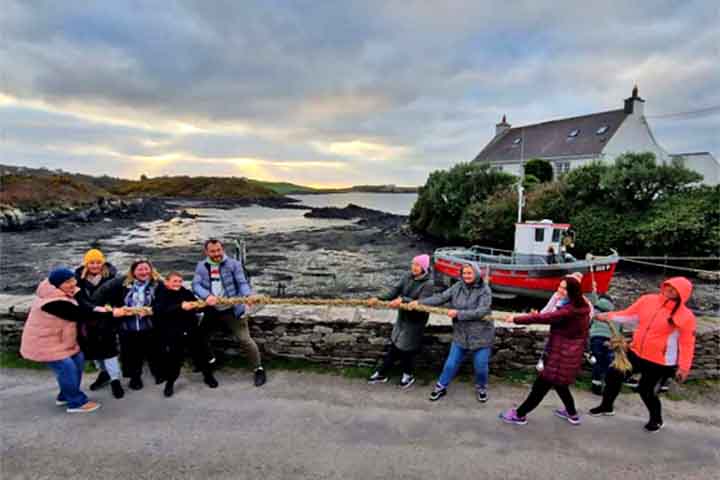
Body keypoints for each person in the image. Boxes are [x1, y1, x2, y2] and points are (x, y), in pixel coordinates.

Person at [589, 277, 697, 433]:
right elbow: (629, 315)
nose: (670, 290)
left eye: (675, 289)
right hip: (636, 352)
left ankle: (656, 420)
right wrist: (608, 316)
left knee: (646, 390)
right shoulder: (647, 300)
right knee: (613, 375)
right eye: (669, 286)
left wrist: (684, 367)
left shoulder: (686, 317)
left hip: (660, 362)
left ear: (683, 294)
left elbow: (687, 343)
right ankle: (606, 407)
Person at [20, 267, 121, 413]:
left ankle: (65, 395)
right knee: (67, 368)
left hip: (61, 340)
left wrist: (99, 309)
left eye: (73, 279)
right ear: (57, 284)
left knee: (78, 360)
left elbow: (85, 304)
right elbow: (80, 314)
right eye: (67, 282)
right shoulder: (51, 302)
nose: (73, 283)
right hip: (45, 343)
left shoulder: (67, 290)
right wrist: (112, 314)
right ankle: (76, 402)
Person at [499, 276, 591, 426]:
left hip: (560, 355)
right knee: (561, 385)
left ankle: (519, 415)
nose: (559, 290)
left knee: (540, 387)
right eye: (559, 286)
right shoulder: (581, 306)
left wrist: (516, 319)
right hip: (569, 353)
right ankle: (572, 414)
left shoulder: (569, 311)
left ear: (572, 291)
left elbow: (545, 317)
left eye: (564, 288)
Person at [410, 263, 493, 403]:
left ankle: (481, 387)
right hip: (461, 333)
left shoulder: (485, 290)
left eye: (469, 273)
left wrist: (458, 314)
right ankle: (441, 387)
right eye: (464, 273)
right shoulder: (457, 286)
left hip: (482, 335)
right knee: (450, 364)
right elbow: (441, 297)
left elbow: (482, 311)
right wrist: (420, 302)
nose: (466, 276)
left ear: (477, 274)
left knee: (481, 367)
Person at [192, 238, 266, 387]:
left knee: (244, 339)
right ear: (206, 252)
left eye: (219, 250)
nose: (216, 253)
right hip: (212, 309)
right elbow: (196, 285)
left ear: (223, 249)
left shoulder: (234, 264)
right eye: (212, 251)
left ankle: (258, 369)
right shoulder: (201, 266)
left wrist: (247, 296)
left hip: (232, 309)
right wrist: (207, 296)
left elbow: (242, 283)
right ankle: (210, 361)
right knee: (199, 337)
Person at [93, 259, 163, 390]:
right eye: (140, 269)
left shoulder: (158, 284)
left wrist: (153, 310)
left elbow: (165, 302)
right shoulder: (121, 283)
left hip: (150, 325)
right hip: (127, 326)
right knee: (130, 353)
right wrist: (110, 308)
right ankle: (135, 377)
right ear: (133, 271)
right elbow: (103, 294)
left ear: (151, 270)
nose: (144, 272)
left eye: (146, 269)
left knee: (155, 351)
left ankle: (158, 372)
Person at [367, 254, 434, 389]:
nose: (414, 267)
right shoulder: (407, 276)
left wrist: (403, 300)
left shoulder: (428, 284)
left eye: (417, 265)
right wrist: (378, 299)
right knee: (396, 344)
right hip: (403, 317)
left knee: (406, 348)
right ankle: (387, 373)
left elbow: (423, 303)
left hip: (416, 320)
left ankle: (402, 374)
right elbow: (394, 291)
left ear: (424, 268)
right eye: (413, 264)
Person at [152, 272, 217, 397]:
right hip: (174, 333)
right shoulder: (161, 294)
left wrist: (206, 304)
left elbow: (196, 305)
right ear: (167, 282)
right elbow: (159, 310)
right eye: (174, 281)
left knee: (201, 355)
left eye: (180, 281)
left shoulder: (186, 292)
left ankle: (208, 376)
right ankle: (170, 383)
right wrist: (180, 306)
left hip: (191, 329)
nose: (178, 284)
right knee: (174, 360)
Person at [74, 248, 124, 399]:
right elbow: (77, 298)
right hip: (87, 320)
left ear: (102, 263)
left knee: (110, 352)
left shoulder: (112, 277)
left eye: (98, 262)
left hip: (106, 319)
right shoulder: (77, 279)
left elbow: (119, 298)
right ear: (86, 264)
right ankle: (103, 373)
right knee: (94, 352)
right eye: (91, 262)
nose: (95, 265)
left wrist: (110, 307)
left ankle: (115, 380)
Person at [588, 297, 616, 396]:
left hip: (596, 338)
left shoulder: (594, 312)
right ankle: (608, 387)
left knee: (597, 361)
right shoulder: (614, 314)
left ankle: (596, 386)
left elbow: (588, 324)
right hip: (610, 340)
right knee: (608, 363)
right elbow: (618, 329)